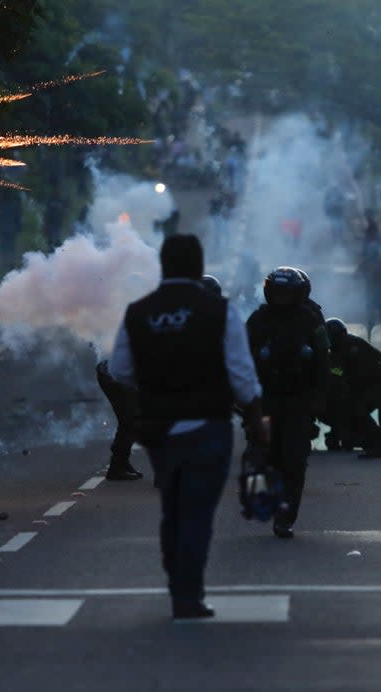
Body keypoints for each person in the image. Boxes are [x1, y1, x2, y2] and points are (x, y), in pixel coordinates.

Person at [108, 234, 265, 620]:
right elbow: (243, 377)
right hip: (207, 426)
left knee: (173, 509)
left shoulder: (139, 312)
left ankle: (178, 582)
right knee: (196, 513)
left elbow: (119, 371)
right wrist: (258, 419)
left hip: (159, 429)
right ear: (197, 266)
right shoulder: (219, 310)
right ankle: (187, 592)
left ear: (164, 265)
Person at [246, 267, 329, 539]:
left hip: (299, 401)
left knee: (293, 462)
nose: (281, 298)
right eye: (277, 293)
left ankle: (285, 516)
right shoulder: (258, 320)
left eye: (286, 293)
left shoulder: (312, 320)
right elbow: (243, 360)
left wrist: (319, 395)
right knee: (261, 457)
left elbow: (323, 359)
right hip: (265, 401)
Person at [321, 319, 381, 458]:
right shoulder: (339, 348)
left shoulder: (352, 347)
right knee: (352, 406)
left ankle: (376, 444)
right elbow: (338, 371)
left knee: (358, 409)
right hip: (370, 382)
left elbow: (357, 374)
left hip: (379, 382)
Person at [94, 359, 143, 481]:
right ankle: (117, 468)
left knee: (129, 422)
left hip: (115, 375)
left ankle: (120, 464)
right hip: (116, 377)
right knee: (130, 422)